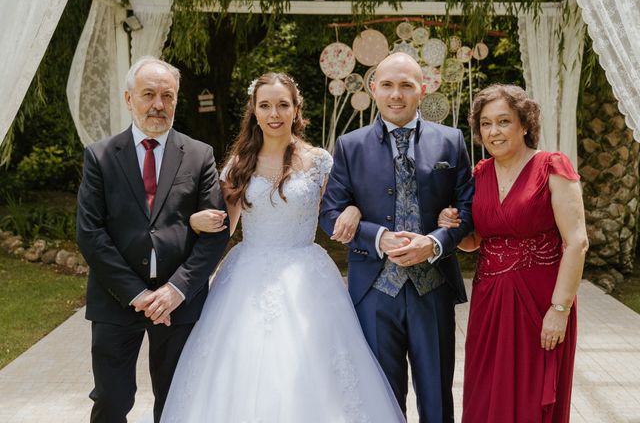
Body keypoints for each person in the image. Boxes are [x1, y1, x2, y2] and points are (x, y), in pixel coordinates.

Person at [159, 72, 405, 422]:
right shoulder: (237, 165)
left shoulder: (320, 161)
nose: (274, 113)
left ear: (295, 109)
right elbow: (225, 228)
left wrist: (352, 209)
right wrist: (195, 222)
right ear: (254, 111)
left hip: (307, 274)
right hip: (246, 274)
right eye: (265, 105)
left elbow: (337, 209)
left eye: (282, 105)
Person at [319, 52, 475, 422]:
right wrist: (378, 237)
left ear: (423, 89)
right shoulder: (349, 145)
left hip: (433, 289)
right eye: (387, 85)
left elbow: (467, 208)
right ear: (374, 89)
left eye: (406, 85)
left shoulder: (450, 141)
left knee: (437, 397)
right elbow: (329, 214)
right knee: (380, 400)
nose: (397, 94)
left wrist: (434, 242)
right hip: (374, 290)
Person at [76, 56, 230, 423]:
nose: (158, 105)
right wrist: (138, 293)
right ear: (129, 99)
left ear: (177, 100)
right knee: (111, 401)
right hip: (116, 301)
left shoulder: (199, 155)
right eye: (148, 94)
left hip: (179, 304)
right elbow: (90, 233)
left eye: (167, 95)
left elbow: (216, 232)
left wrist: (177, 290)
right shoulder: (100, 156)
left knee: (176, 402)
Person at [438, 84, 588, 423]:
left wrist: (559, 310)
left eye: (504, 121)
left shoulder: (552, 166)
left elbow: (577, 242)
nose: (494, 131)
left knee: (533, 396)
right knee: (486, 391)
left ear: (524, 124)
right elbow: (474, 241)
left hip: (541, 301)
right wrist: (452, 225)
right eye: (486, 124)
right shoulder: (480, 174)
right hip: (490, 301)